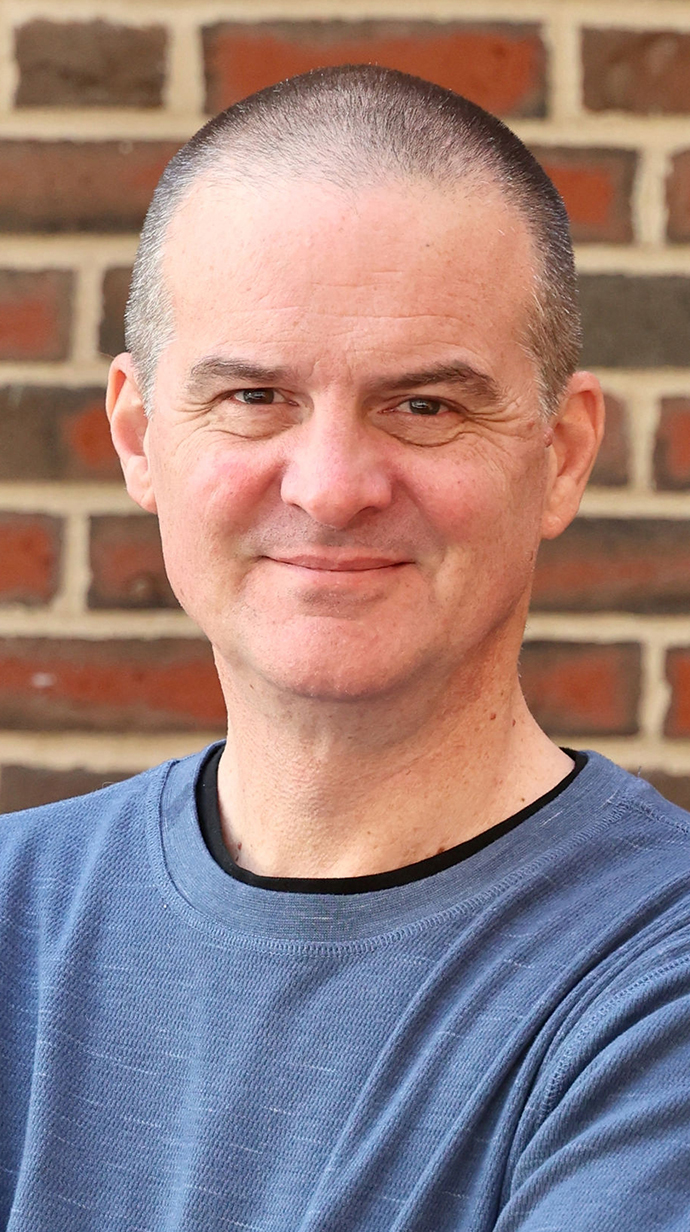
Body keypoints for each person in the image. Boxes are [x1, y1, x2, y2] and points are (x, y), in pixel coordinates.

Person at [1, 65, 689, 1232]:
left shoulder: (653, 979)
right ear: (138, 434)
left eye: (425, 406)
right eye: (255, 396)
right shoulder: (17, 914)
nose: (330, 490)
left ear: (564, 454)